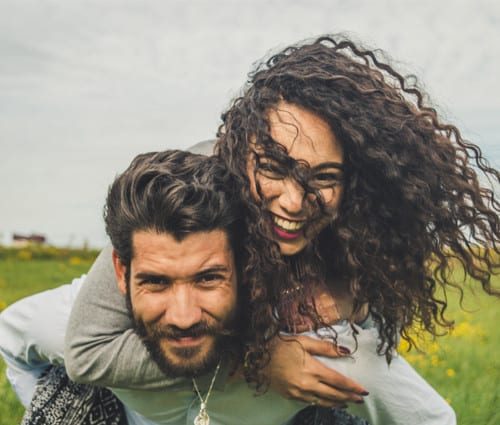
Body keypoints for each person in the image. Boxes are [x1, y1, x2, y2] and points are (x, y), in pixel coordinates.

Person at [61, 34, 500, 424]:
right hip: (180, 355)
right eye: (273, 167)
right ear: (240, 150)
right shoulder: (198, 189)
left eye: (325, 177)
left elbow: (372, 320)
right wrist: (257, 359)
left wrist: (351, 301)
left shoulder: (360, 220)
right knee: (33, 326)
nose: (293, 202)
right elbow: (86, 351)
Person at [0, 150, 324, 425]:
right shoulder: (75, 325)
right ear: (121, 273)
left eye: (208, 278)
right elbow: (12, 336)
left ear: (243, 268)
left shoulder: (319, 349)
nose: (183, 316)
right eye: (156, 282)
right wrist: (255, 361)